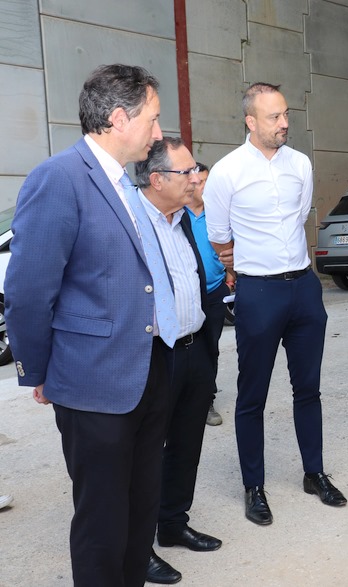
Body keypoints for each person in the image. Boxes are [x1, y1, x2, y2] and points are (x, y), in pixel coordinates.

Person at [5, 64, 173, 585]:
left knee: (140, 511)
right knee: (102, 522)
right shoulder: (59, 178)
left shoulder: (126, 182)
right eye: (153, 119)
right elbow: (29, 291)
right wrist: (39, 372)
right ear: (119, 118)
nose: (159, 133)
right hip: (93, 382)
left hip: (147, 372)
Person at [203, 82, 346, 526]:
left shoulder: (300, 164)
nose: (284, 123)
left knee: (308, 388)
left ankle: (314, 473)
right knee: (252, 395)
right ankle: (254, 487)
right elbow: (219, 236)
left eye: (286, 114)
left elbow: (301, 214)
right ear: (250, 121)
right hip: (258, 292)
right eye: (273, 117)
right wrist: (240, 264)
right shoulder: (227, 171)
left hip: (303, 287)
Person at [134, 138, 223, 584]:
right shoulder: (130, 220)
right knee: (146, 453)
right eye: (187, 173)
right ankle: (138, 547)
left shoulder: (182, 220)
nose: (195, 179)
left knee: (186, 444)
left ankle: (172, 523)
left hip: (194, 347)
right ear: (157, 180)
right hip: (154, 357)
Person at [187, 161, 232, 427]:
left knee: (209, 348)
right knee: (182, 350)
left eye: (207, 180)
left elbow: (230, 248)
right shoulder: (176, 214)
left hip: (214, 292)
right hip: (184, 295)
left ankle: (206, 400)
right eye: (201, 181)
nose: (205, 186)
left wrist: (230, 275)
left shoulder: (218, 213)